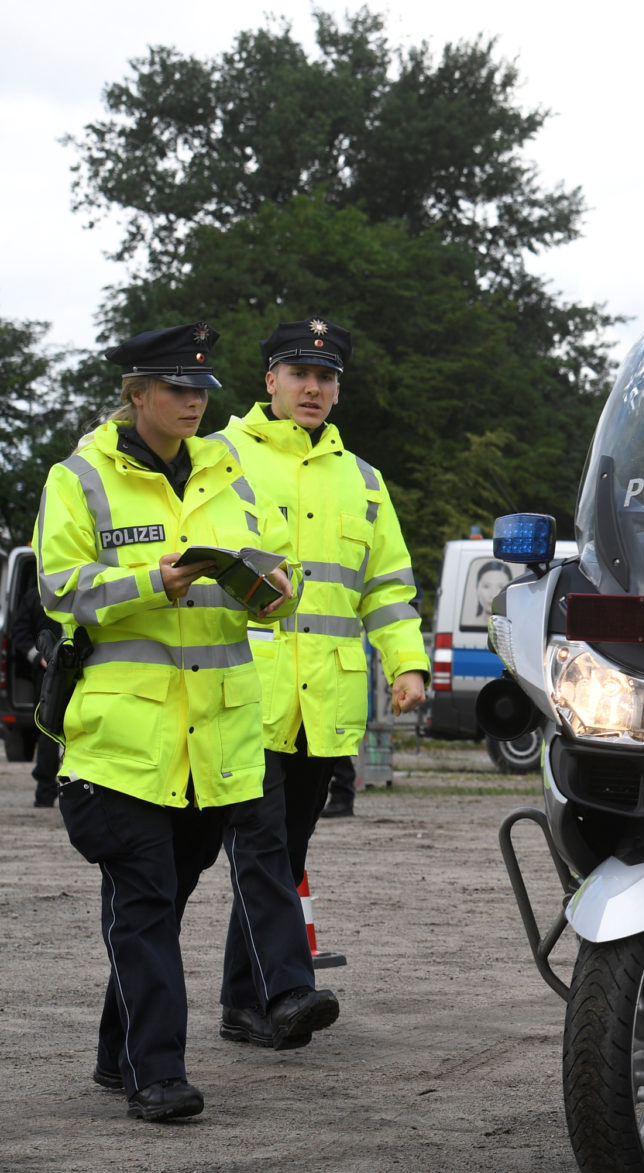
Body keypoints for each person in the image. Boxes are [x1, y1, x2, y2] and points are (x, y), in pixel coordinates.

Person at [39, 322, 337, 1122]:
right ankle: (157, 1076)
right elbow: (60, 587)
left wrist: (275, 589)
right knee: (143, 903)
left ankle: (118, 1053)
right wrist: (151, 581)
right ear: (136, 394)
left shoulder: (226, 467)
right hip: (123, 746)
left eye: (202, 388)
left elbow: (281, 568)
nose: (195, 401)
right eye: (177, 388)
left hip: (216, 745)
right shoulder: (80, 477)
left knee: (162, 905)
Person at [209, 318, 429, 1040]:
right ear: (268, 380)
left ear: (337, 390)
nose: (313, 387)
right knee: (262, 844)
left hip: (323, 704)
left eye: (325, 377)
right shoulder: (217, 460)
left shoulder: (362, 480)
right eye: (299, 373)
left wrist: (409, 664)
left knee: (284, 850)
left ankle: (243, 1004)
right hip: (240, 693)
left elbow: (387, 590)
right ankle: (288, 989)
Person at [8, 579, 63, 807]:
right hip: (57, 673)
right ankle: (48, 792)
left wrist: (37, 657)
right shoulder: (77, 590)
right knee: (52, 734)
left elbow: (17, 632)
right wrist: (39, 658)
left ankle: (45, 793)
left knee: (49, 731)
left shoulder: (35, 595)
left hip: (50, 674)